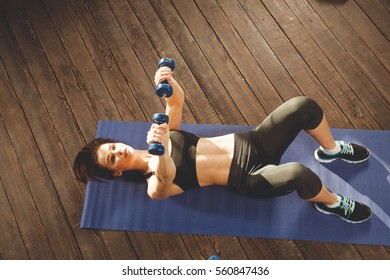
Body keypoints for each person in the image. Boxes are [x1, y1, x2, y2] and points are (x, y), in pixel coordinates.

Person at [74, 65, 372, 224]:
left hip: (253, 142)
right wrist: (161, 148)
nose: (118, 151)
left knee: (302, 106)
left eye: (112, 147)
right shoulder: (155, 186)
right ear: (117, 172)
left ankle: (330, 151)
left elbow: (175, 103)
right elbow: (164, 172)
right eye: (112, 159)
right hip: (250, 177)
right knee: (299, 173)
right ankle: (331, 204)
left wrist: (169, 81)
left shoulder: (160, 133)